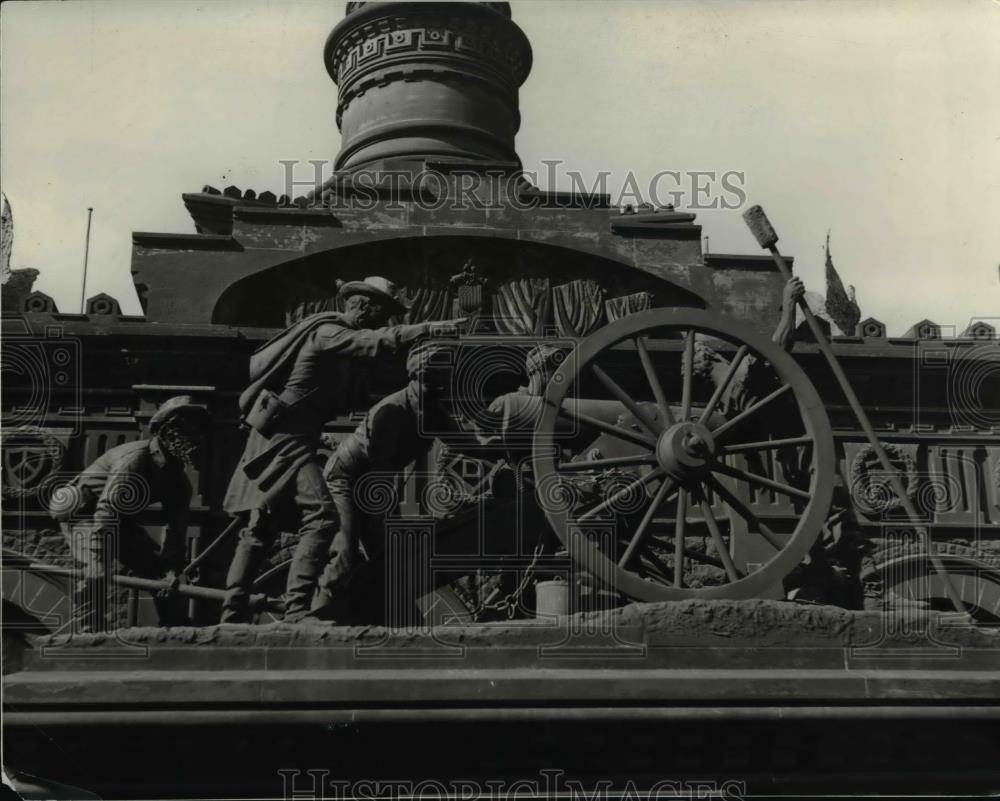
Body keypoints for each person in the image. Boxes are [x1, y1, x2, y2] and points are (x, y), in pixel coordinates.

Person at [220, 277, 462, 623]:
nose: (385, 320)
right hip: (287, 439)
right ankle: (297, 612)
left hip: (289, 438)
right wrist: (429, 327)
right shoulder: (328, 333)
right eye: (384, 311)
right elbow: (374, 342)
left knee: (262, 527)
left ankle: (232, 614)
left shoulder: (339, 350)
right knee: (321, 516)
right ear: (364, 305)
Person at [313, 340, 492, 621]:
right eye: (438, 376)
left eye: (447, 376)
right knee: (345, 551)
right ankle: (317, 617)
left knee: (390, 561)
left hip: (377, 484)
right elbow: (379, 478)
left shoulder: (432, 411)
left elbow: (472, 445)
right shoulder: (392, 413)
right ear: (420, 374)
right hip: (346, 481)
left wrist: (513, 445)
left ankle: (392, 618)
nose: (445, 384)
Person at [49, 395, 209, 632]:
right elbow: (107, 510)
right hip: (84, 514)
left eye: (196, 431)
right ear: (167, 432)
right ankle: (89, 631)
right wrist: (98, 559)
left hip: (119, 521)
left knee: (158, 576)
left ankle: (172, 628)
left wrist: (171, 571)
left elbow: (176, 531)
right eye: (186, 430)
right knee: (97, 573)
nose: (194, 438)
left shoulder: (179, 482)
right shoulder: (135, 460)